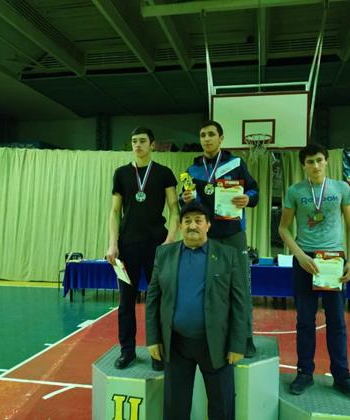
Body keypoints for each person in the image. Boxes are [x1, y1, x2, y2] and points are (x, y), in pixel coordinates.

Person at [277, 143, 350, 402]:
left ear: (326, 161)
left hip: (333, 261)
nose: (315, 165)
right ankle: (304, 372)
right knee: (305, 320)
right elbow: (283, 228)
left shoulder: (341, 188)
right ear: (303, 165)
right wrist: (299, 255)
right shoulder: (295, 191)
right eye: (310, 162)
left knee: (336, 321)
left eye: (319, 160)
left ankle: (342, 376)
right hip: (306, 261)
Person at [146, 201, 247, 420]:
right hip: (176, 345)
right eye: (187, 221)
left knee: (222, 408)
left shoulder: (227, 255)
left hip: (217, 345)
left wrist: (238, 344)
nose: (192, 225)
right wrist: (153, 338)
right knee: (175, 408)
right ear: (180, 225)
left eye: (198, 221)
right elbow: (153, 299)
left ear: (208, 225)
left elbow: (240, 303)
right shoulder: (164, 254)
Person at [181, 120, 259, 357]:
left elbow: (254, 191)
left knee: (240, 288)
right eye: (202, 135)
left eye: (211, 134)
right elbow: (185, 203)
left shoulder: (236, 164)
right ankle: (213, 336)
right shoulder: (192, 170)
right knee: (211, 289)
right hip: (207, 237)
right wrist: (184, 199)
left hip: (234, 234)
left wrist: (248, 198)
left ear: (221, 138)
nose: (206, 139)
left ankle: (245, 338)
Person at [106, 127, 179, 371]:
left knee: (157, 301)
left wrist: (169, 241)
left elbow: (175, 210)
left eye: (142, 141)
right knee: (126, 302)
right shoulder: (121, 174)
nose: (137, 145)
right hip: (127, 247)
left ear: (152, 144)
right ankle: (127, 351)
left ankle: (159, 352)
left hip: (156, 247)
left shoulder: (164, 173)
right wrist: (112, 244)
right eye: (134, 141)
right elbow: (115, 211)